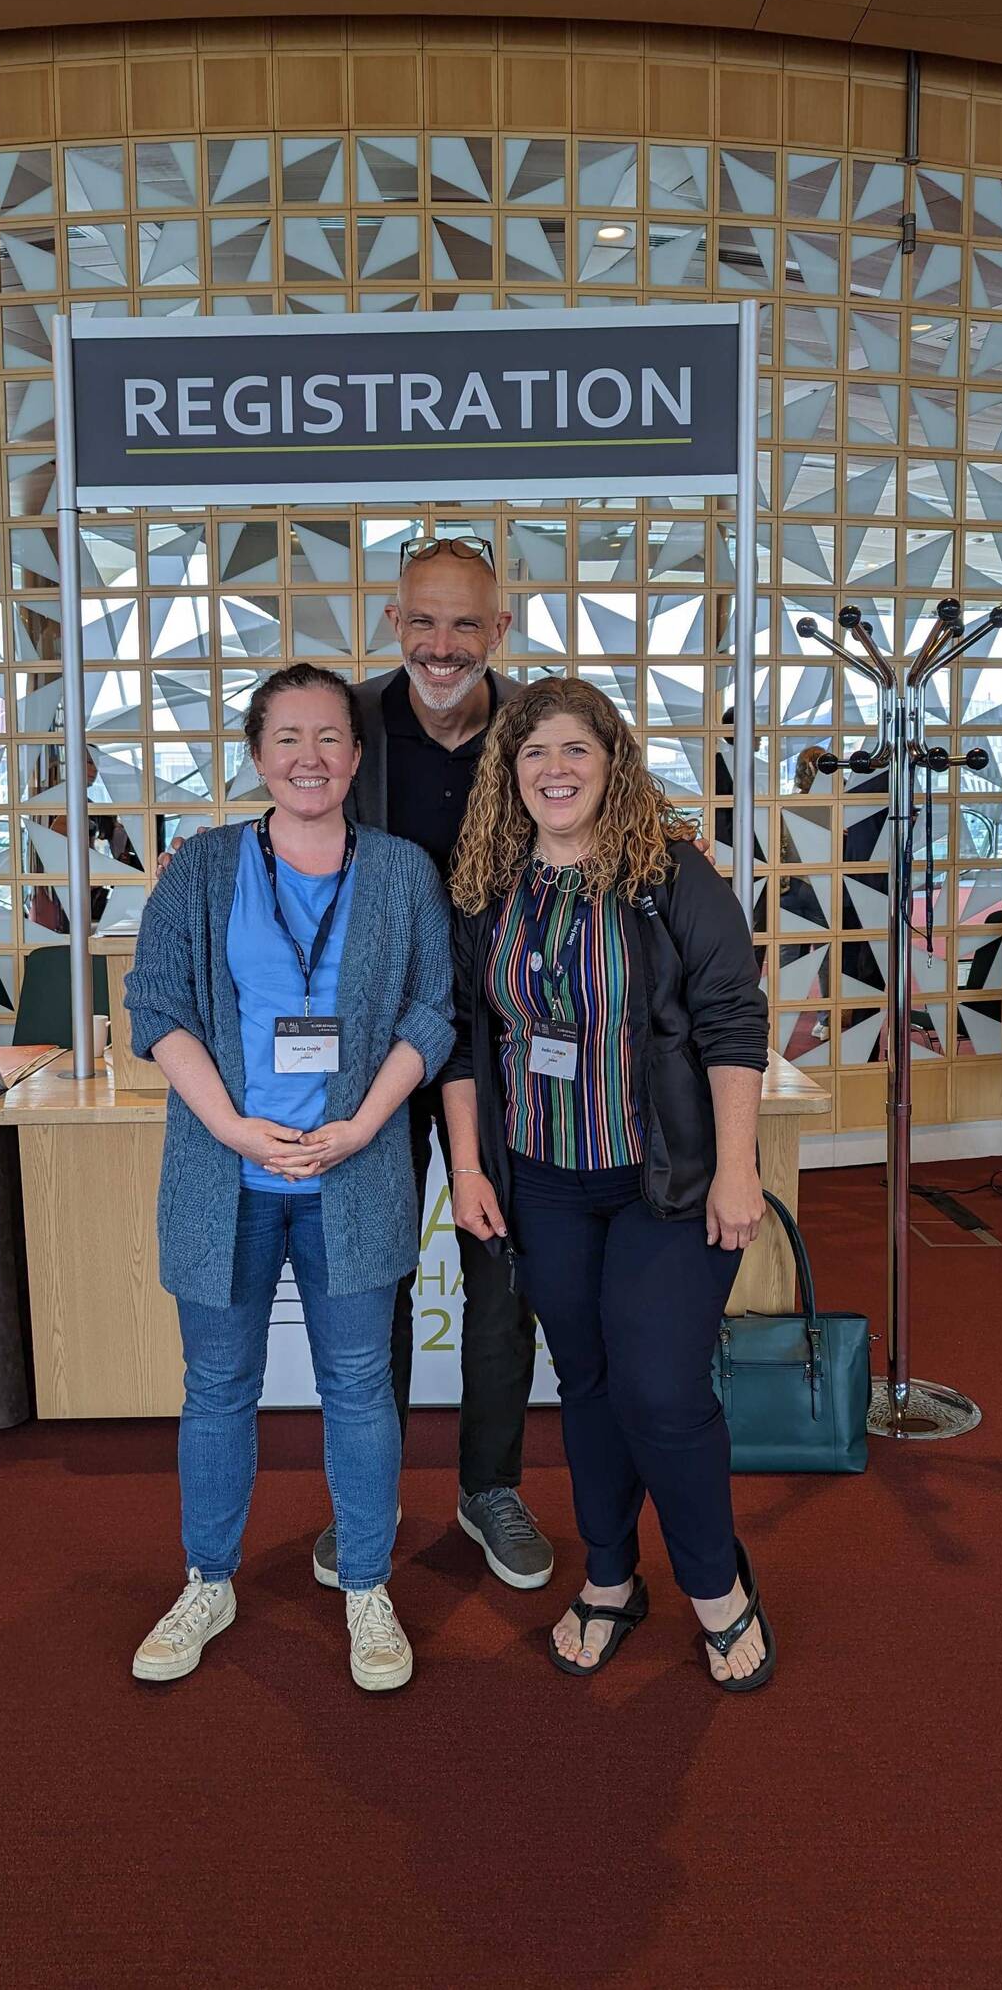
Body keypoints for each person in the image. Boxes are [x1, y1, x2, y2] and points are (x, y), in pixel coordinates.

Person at [441, 676, 777, 1688]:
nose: (555, 769)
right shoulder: (487, 885)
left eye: (575, 749)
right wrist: (468, 1166)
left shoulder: (671, 874)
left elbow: (733, 1019)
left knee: (661, 1389)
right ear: (510, 773)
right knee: (585, 1383)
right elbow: (461, 1037)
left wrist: (736, 1170)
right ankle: (610, 1576)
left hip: (663, 1181)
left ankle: (716, 1585)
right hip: (542, 1181)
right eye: (533, 751)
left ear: (612, 762)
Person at [124, 662, 453, 1694]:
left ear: (357, 755)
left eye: (330, 737)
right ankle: (207, 1579)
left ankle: (367, 1585)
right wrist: (230, 1127)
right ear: (257, 755)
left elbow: (431, 1011)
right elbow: (156, 1005)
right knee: (218, 1385)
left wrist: (361, 1125)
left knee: (357, 1383)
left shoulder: (402, 872)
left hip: (354, 1173)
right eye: (287, 738)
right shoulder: (201, 869)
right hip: (223, 1177)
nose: (310, 757)